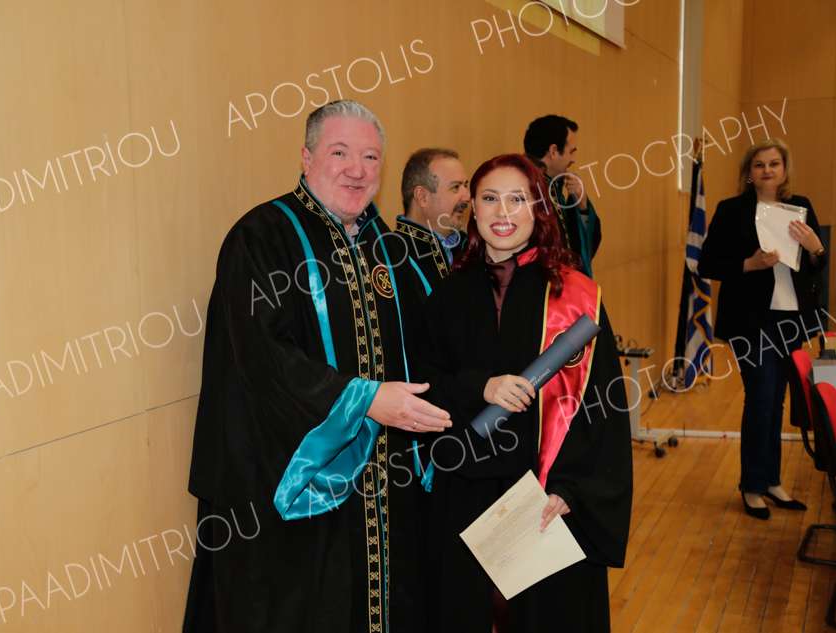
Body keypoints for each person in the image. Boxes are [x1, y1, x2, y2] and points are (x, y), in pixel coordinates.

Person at [183, 99, 452, 633]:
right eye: (340, 153)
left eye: (370, 157)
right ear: (306, 158)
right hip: (286, 485)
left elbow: (429, 343)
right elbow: (261, 358)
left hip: (379, 485)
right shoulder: (262, 237)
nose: (357, 170)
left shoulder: (387, 248)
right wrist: (365, 399)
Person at [412, 154, 632, 632]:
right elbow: (423, 382)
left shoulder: (573, 296)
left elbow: (603, 407)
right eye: (490, 198)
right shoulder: (448, 295)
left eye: (518, 199)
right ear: (473, 209)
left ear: (539, 209)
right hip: (465, 489)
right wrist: (481, 386)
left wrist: (572, 490)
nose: (503, 212)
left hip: (544, 494)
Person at [699, 138, 826, 520]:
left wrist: (816, 247)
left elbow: (817, 264)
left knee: (777, 400)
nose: (767, 170)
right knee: (760, 396)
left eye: (774, 164)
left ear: (784, 171)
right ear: (749, 173)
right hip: (750, 321)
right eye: (759, 165)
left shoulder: (801, 206)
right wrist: (748, 265)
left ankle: (771, 481)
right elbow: (707, 264)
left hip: (791, 320)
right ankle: (752, 486)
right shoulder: (731, 210)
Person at [524, 114, 601, 276]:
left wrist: (581, 206)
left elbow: (574, 246)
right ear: (553, 151)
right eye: (571, 151)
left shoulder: (553, 186)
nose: (573, 159)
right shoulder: (525, 188)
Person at [395, 148, 470, 296]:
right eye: (456, 187)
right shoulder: (391, 255)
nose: (467, 196)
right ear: (422, 197)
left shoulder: (470, 246)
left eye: (466, 186)